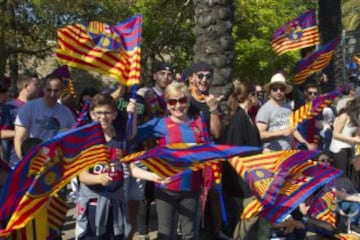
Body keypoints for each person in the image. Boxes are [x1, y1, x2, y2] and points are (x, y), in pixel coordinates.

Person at [129, 81, 212, 240]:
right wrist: (132, 115)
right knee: (166, 233)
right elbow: (132, 136)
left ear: (188, 102)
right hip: (166, 187)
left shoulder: (198, 124)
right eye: (172, 101)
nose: (178, 105)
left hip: (192, 187)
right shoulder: (160, 124)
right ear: (167, 104)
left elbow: (208, 150)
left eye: (182, 100)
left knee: (190, 234)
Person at [76, 93, 165, 240]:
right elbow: (83, 176)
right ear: (92, 115)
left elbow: (130, 168)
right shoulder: (86, 140)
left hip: (116, 202)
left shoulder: (121, 139)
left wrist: (155, 176)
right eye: (98, 113)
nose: (103, 117)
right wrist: (99, 178)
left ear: (115, 115)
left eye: (107, 112)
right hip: (94, 203)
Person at [222, 81, 262, 239]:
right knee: (250, 214)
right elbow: (237, 151)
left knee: (249, 215)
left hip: (248, 175)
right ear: (250, 96)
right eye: (256, 95)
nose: (258, 98)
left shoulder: (245, 116)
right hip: (242, 178)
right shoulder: (239, 119)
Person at [14, 74, 75, 161]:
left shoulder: (66, 112)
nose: (52, 94)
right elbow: (19, 139)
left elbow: (73, 136)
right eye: (49, 90)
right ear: (43, 89)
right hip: (33, 158)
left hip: (56, 162)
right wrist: (23, 163)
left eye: (56, 90)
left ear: (61, 91)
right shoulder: (29, 107)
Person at [0, 73, 41, 168]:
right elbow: (2, 133)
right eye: (36, 85)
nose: (40, 88)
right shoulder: (10, 108)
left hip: (40, 158)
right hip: (16, 162)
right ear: (26, 87)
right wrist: (21, 132)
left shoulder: (40, 107)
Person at [329, 97, 360, 179]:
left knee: (350, 175)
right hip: (339, 149)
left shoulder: (355, 118)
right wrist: (354, 139)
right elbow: (335, 134)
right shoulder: (344, 116)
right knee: (342, 176)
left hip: (350, 149)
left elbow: (356, 134)